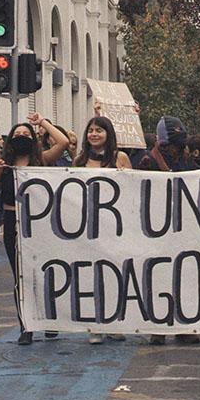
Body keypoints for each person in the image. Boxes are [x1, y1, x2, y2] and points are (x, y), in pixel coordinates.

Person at [0, 113, 69, 345]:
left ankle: (50, 322)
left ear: (34, 139)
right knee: (21, 276)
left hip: (40, 224)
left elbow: (63, 143)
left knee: (46, 273)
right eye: (17, 134)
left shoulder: (42, 160)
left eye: (26, 134)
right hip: (12, 222)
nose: (21, 137)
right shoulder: (4, 165)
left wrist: (42, 123)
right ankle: (26, 325)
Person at [135, 116, 200, 345]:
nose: (174, 149)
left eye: (178, 144)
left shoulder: (186, 158)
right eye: (170, 145)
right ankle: (159, 326)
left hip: (184, 228)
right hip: (156, 229)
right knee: (159, 278)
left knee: (185, 276)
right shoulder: (147, 160)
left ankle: (184, 325)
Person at [73, 116, 132, 343]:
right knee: (91, 275)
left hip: (115, 226)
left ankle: (114, 321)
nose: (94, 134)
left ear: (109, 134)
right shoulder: (80, 161)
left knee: (114, 274)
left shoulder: (121, 158)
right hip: (88, 226)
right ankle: (94, 325)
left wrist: (124, 175)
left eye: (99, 130)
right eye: (91, 130)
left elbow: (133, 189)